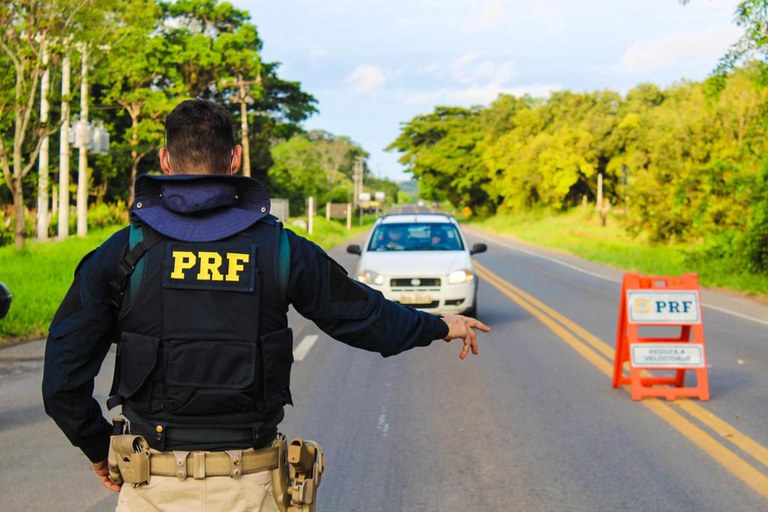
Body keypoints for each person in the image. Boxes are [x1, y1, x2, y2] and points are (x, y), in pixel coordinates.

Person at [42, 99, 489, 512]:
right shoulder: (279, 248)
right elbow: (364, 316)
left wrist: (99, 448)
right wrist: (437, 325)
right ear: (234, 159)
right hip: (251, 490)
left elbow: (62, 383)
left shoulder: (123, 253)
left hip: (152, 489)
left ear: (165, 160)